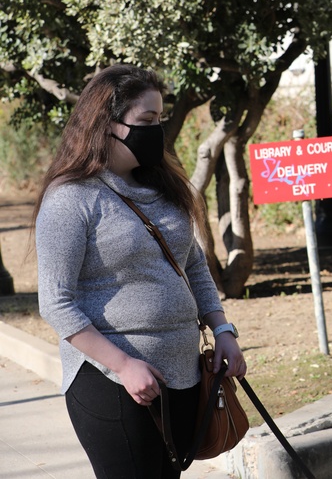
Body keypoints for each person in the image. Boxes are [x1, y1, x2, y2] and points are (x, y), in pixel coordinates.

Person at [34, 64, 246, 479]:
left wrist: (223, 331)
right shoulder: (71, 198)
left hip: (184, 377)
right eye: (146, 121)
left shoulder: (163, 188)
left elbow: (194, 267)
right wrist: (123, 365)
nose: (157, 131)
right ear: (105, 124)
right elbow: (55, 301)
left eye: (160, 120)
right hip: (111, 383)